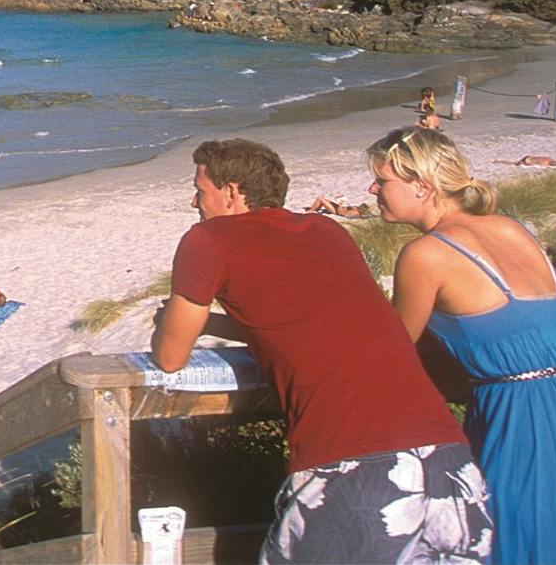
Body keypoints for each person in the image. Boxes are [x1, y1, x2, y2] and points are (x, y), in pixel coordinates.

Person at [153, 139, 489, 563]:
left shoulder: (209, 238)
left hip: (353, 463)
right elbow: (308, 320)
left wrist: (164, 324)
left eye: (201, 190)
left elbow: (169, 357)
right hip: (446, 457)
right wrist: (219, 325)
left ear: (233, 193)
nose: (194, 202)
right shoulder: (325, 231)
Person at [367, 126, 556, 564]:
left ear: (422, 185)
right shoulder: (514, 229)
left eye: (382, 180)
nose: (372, 188)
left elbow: (387, 355)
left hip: (525, 433)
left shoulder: (426, 255)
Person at [303, 194, 374, 218]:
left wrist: (340, 205)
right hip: (339, 207)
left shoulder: (355, 213)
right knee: (324, 199)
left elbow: (341, 213)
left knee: (320, 199)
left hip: (336, 211)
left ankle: (311, 210)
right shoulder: (356, 209)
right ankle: (314, 208)